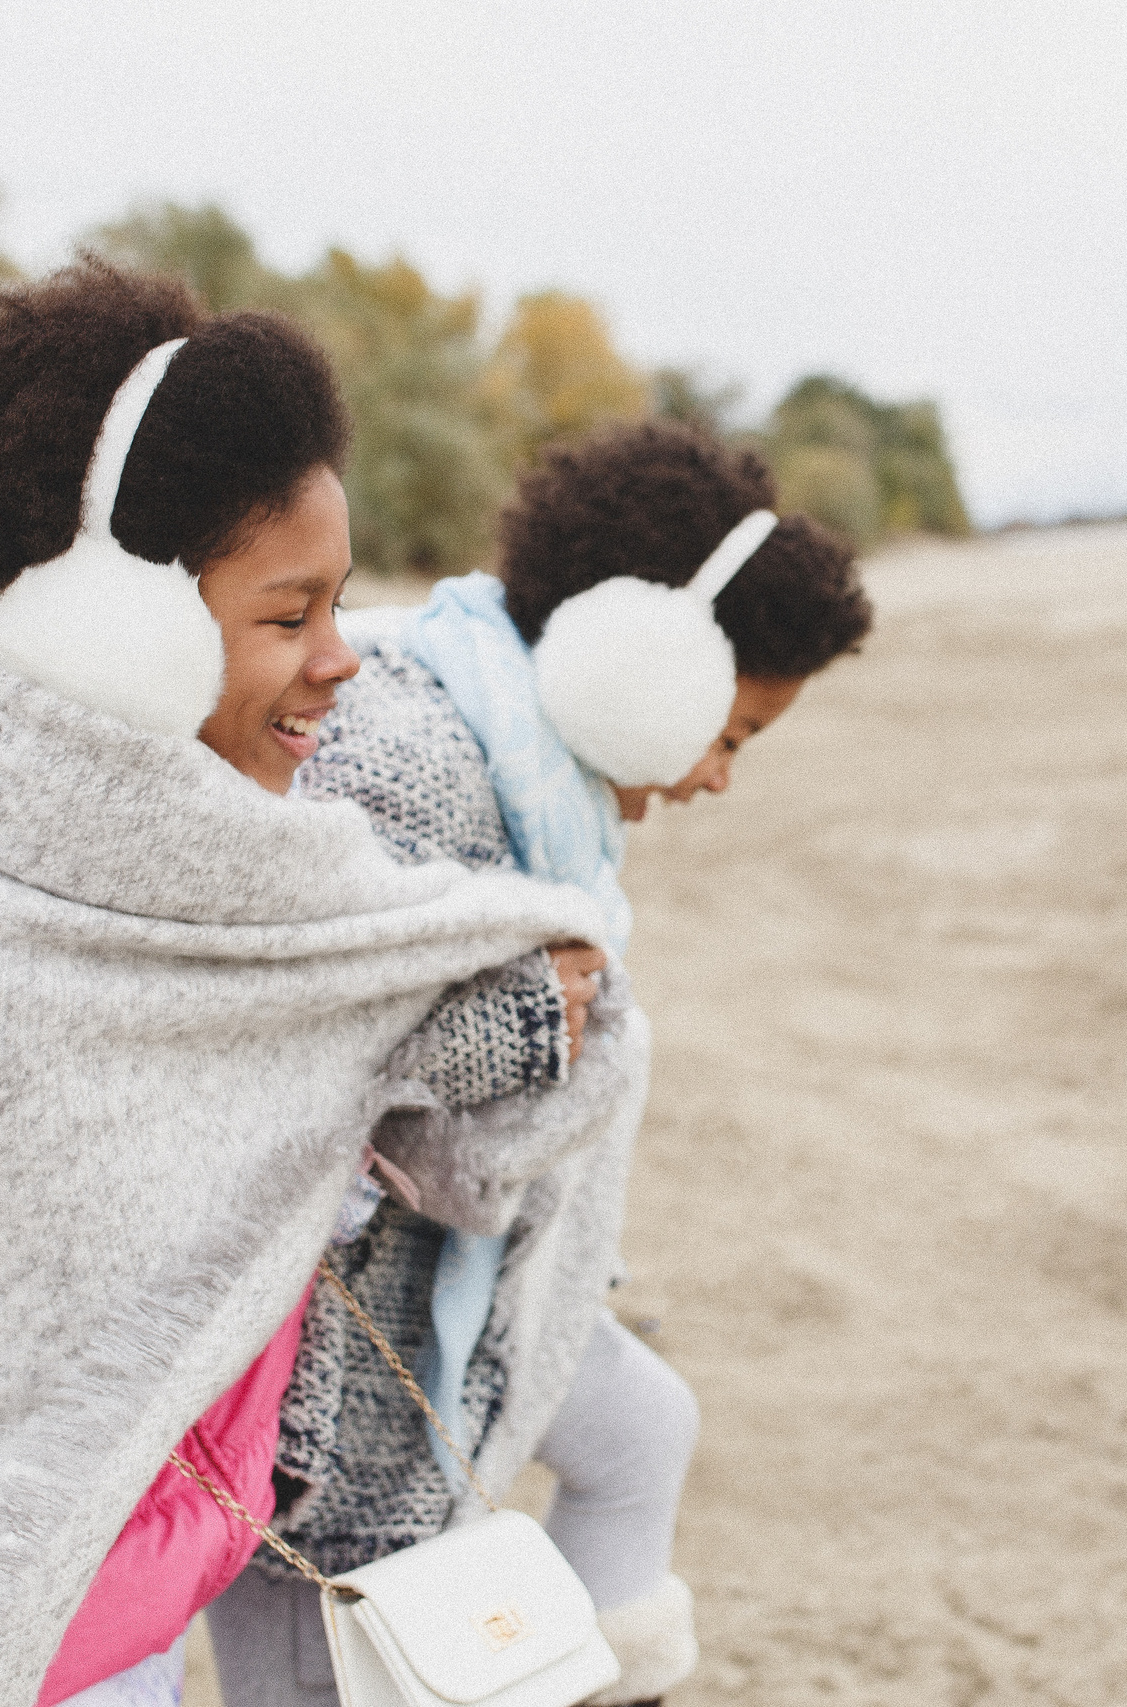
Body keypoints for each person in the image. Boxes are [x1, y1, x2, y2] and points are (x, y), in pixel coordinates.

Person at [0, 260, 612, 1707]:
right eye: (289, 615)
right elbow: (228, 1120)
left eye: (342, 606)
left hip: (122, 1557)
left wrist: (437, 1025)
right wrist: (463, 1026)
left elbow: (296, 1039)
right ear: (111, 623)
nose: (340, 660)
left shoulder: (163, 861)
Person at [207, 420, 872, 1707]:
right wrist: (541, 1030)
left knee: (640, 1428)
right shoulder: (408, 767)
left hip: (432, 1298)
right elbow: (363, 1114)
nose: (719, 780)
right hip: (318, 1374)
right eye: (732, 733)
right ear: (640, 667)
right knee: (327, 1650)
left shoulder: (515, 764)